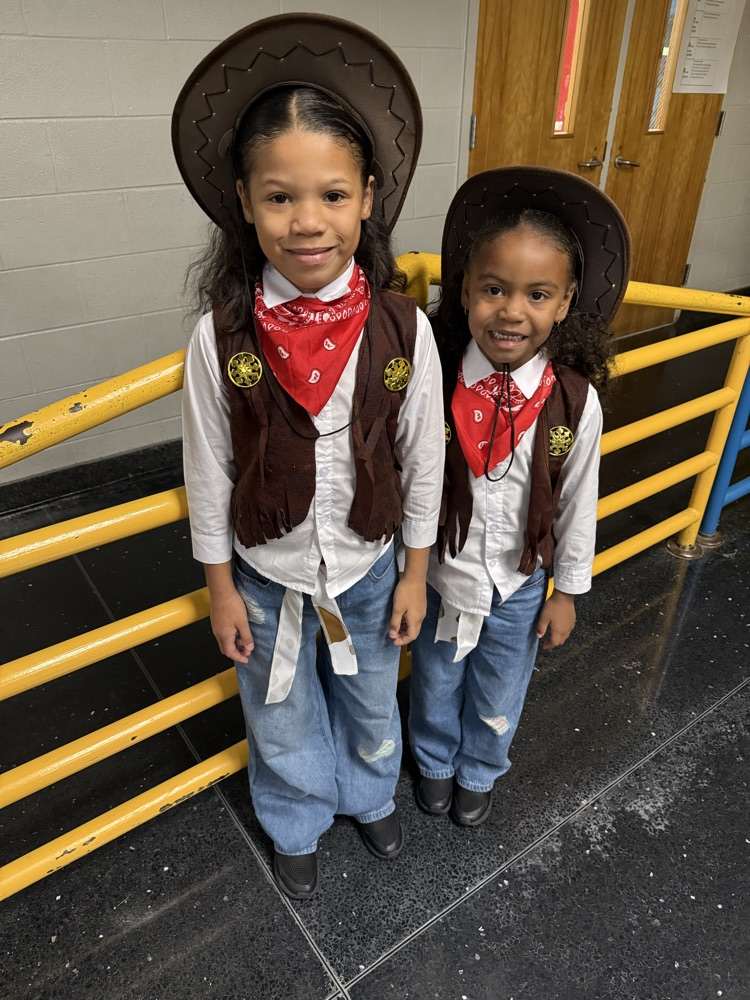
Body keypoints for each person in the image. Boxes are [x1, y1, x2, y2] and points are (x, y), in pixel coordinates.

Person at [171, 14, 444, 899]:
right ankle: (295, 816)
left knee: (370, 690)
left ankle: (370, 793)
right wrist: (220, 589)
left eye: (331, 194)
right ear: (245, 203)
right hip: (266, 573)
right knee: (279, 707)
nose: (308, 222)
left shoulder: (403, 330)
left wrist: (414, 573)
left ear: (367, 197)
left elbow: (423, 456)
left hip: (369, 563)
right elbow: (209, 471)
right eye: (280, 197)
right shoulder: (221, 338)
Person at [409, 166, 631, 828]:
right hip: (442, 575)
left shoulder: (574, 401)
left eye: (537, 294)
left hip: (521, 582)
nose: (511, 311)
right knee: (435, 678)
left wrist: (568, 593)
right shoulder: (436, 379)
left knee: (501, 685)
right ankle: (434, 762)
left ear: (564, 303)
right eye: (493, 289)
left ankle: (480, 768)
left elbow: (578, 502)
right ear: (464, 291)